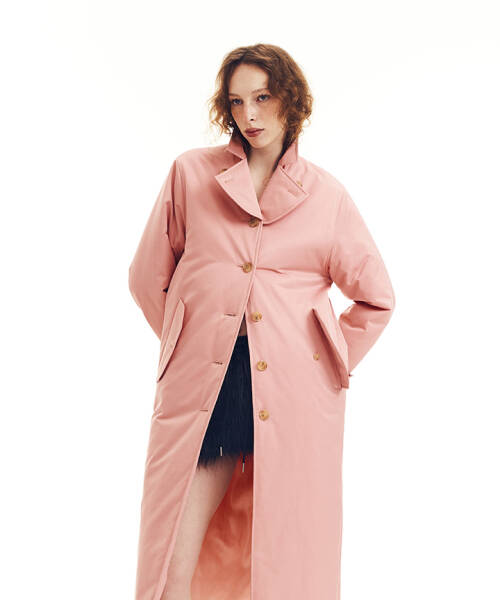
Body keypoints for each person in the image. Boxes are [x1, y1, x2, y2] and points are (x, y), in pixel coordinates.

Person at [129, 43, 395, 600]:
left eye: (263, 98)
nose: (249, 115)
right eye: (237, 102)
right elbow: (146, 278)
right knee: (173, 551)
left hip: (294, 396)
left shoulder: (327, 197)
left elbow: (376, 299)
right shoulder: (190, 175)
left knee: (286, 560)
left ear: (290, 100)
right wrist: (193, 346)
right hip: (207, 387)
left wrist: (322, 364)